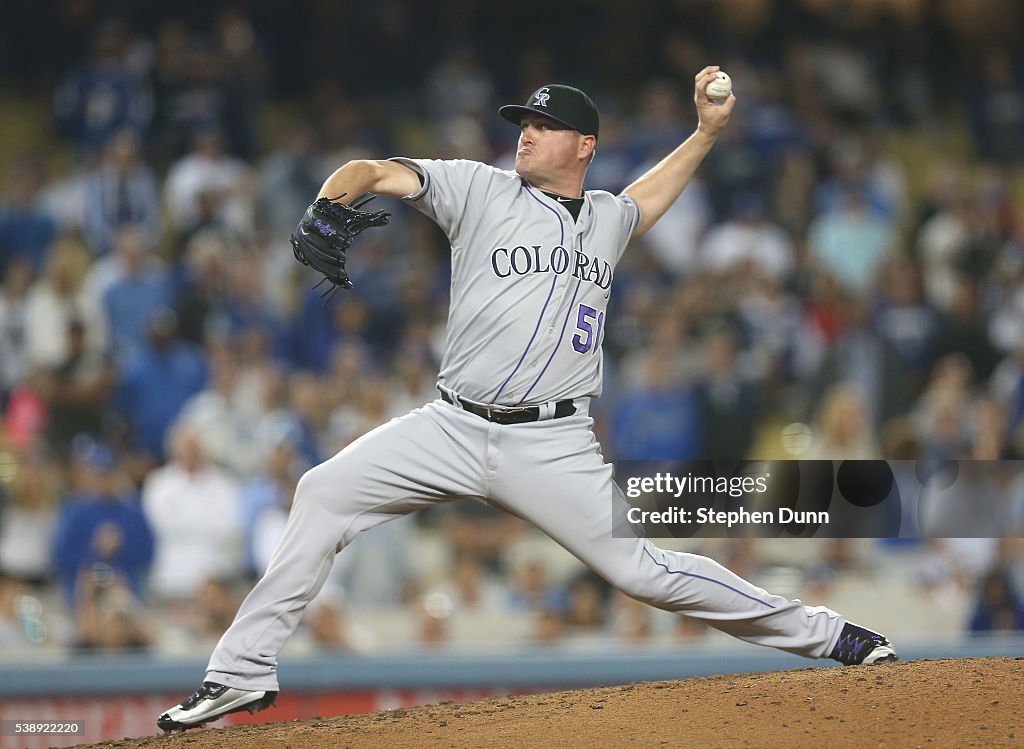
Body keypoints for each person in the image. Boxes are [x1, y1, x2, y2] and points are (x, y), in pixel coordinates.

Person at [158, 68, 897, 731]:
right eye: (523, 124)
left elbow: (648, 195)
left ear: (584, 145)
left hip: (552, 444)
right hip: (449, 423)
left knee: (642, 571)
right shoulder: (480, 188)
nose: (527, 135)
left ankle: (830, 635)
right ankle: (241, 671)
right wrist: (329, 200)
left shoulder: (607, 216)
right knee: (322, 491)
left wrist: (704, 134)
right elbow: (376, 169)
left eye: (543, 127)